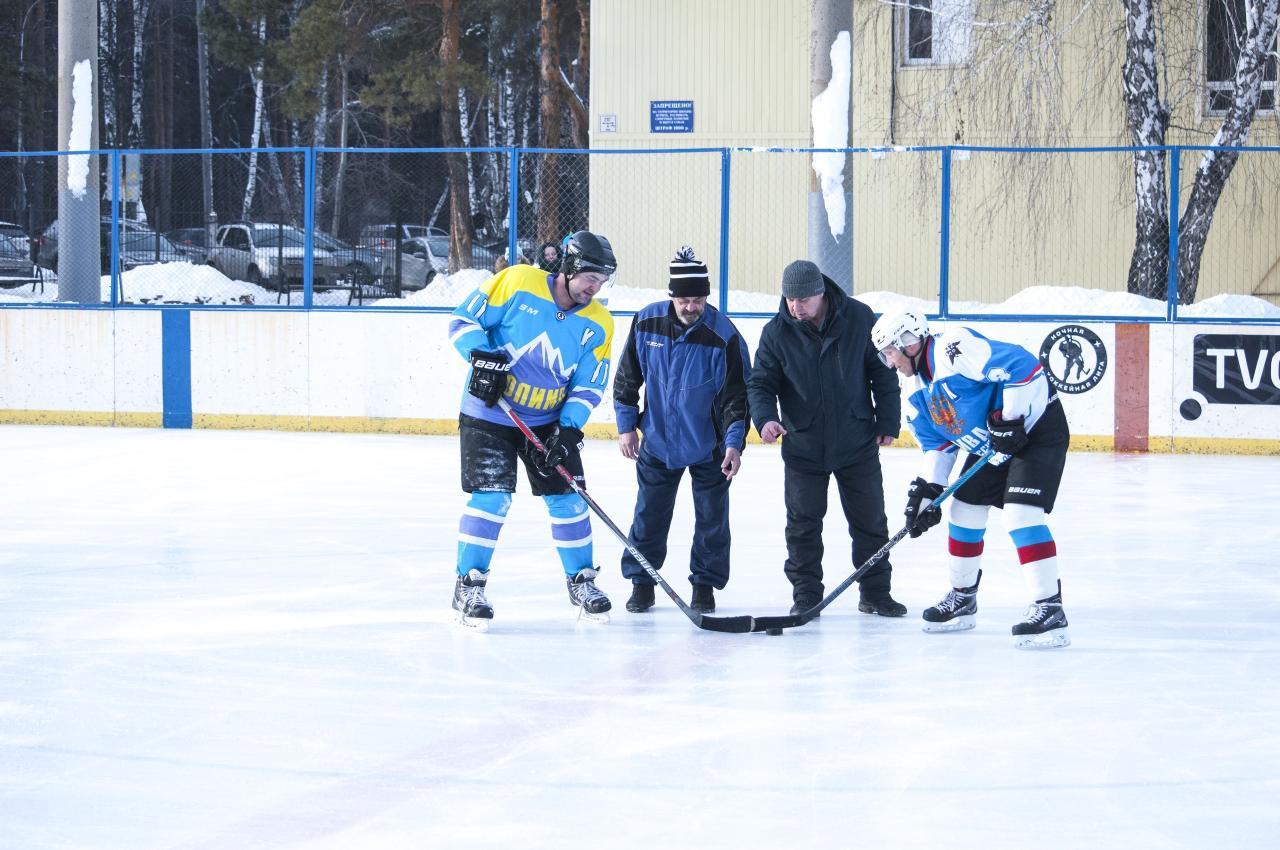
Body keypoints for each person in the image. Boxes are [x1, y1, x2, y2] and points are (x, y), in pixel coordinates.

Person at [871, 310, 1071, 649]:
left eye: (889, 352)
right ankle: (963, 597)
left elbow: (1022, 366)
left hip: (1036, 430)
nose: (889, 363)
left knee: (1021, 515)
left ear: (909, 341)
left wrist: (1011, 418)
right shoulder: (916, 395)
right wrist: (927, 494)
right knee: (963, 509)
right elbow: (939, 447)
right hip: (995, 443)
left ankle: (1050, 608)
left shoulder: (954, 348)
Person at [447, 231, 618, 628]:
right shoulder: (518, 282)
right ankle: (468, 585)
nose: (594, 288)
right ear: (569, 267)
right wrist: (482, 358)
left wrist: (569, 431)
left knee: (570, 500)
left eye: (602, 281)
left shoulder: (599, 322)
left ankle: (582, 581)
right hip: (489, 414)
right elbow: (463, 319)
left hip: (547, 424)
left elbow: (589, 386)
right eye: (590, 277)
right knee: (492, 498)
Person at [747, 260, 904, 618]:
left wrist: (888, 420)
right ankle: (806, 595)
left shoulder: (860, 319)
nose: (795, 307)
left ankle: (876, 593)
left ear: (821, 293)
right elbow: (761, 383)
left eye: (803, 299)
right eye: (790, 299)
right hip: (803, 444)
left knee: (870, 522)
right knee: (802, 525)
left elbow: (883, 373)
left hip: (857, 441)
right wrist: (766, 418)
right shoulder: (776, 332)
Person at [613, 246, 752, 614]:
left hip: (710, 447)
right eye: (685, 299)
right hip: (658, 440)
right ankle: (642, 582)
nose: (692, 306)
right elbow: (627, 377)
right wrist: (627, 427)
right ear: (671, 295)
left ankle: (704, 586)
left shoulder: (724, 335)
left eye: (699, 299)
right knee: (649, 515)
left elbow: (737, 398)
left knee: (712, 520)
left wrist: (734, 445)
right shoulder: (646, 322)